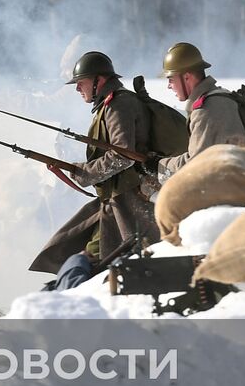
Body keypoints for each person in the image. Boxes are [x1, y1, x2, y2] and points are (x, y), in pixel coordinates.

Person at [31, 52, 161, 290]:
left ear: (98, 81)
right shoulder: (110, 103)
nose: (77, 88)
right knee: (93, 259)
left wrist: (84, 172)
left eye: (81, 82)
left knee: (112, 265)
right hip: (117, 200)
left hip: (131, 202)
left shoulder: (118, 105)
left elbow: (123, 156)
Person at [152, 42, 245, 182]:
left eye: (171, 80)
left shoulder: (207, 110)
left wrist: (159, 165)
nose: (169, 86)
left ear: (187, 77)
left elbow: (195, 166)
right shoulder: (219, 96)